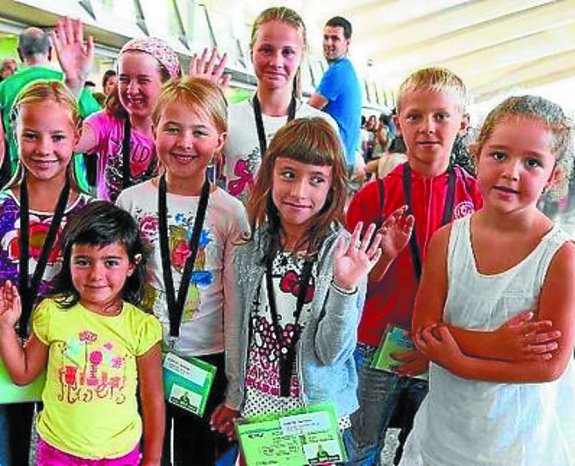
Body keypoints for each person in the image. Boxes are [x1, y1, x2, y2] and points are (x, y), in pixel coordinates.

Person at [210, 117, 413, 451]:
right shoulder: (250, 248)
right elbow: (236, 328)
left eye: (316, 180)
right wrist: (235, 394)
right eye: (288, 174)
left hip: (316, 405)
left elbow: (331, 352)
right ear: (270, 174)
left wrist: (345, 287)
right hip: (259, 397)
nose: (299, 192)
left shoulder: (346, 253)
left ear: (332, 187)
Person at [399, 95, 575, 466]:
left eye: (532, 162)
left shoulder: (560, 256)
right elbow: (423, 331)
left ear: (553, 176)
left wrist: (462, 361)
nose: (512, 171)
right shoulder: (447, 240)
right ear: (477, 154)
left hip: (516, 444)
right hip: (444, 435)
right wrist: (496, 343)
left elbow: (548, 366)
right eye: (499, 155)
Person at [345, 67, 484, 465]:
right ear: (398, 121)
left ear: (463, 123)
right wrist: (385, 255)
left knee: (424, 449)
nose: (427, 127)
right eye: (415, 116)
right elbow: (350, 287)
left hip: (442, 347)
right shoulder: (373, 197)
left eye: (441, 116)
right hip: (374, 345)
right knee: (361, 445)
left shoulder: (478, 199)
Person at [117, 77, 249, 466]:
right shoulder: (131, 201)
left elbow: (236, 301)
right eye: (172, 128)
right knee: (141, 449)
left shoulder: (230, 212)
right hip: (141, 353)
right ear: (154, 129)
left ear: (220, 141)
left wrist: (235, 387)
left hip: (206, 360)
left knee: (195, 455)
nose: (184, 142)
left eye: (199, 132)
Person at [0, 201, 164, 465]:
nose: (96, 274)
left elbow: (152, 398)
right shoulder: (51, 312)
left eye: (111, 262)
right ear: (68, 262)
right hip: (57, 452)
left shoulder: (142, 326)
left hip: (119, 455)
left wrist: (153, 460)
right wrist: (5, 326)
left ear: (132, 265)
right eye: (84, 262)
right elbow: (23, 373)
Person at [0, 80, 93, 466]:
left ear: (76, 136)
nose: (44, 149)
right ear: (14, 135)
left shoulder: (92, 214)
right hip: (4, 364)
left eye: (57, 137)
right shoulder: (2, 207)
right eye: (31, 136)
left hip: (66, 366)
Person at [53, 17, 182, 202]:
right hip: (112, 229)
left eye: (143, 80)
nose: (131, 89)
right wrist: (73, 84)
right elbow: (62, 141)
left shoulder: (181, 132)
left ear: (168, 84)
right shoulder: (106, 123)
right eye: (124, 79)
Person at [221, 6, 339, 203]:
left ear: (301, 56)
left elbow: (330, 199)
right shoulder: (226, 118)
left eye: (288, 52)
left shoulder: (322, 126)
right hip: (237, 232)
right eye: (267, 50)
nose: (276, 62)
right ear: (251, 52)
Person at [0, 23, 100, 188]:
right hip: (71, 182)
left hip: (23, 179)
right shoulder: (70, 81)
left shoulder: (4, 87)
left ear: (19, 52)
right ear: (50, 51)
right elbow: (97, 126)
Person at [309, 16, 362, 170]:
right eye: (326, 38)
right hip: (344, 159)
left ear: (347, 43)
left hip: (334, 159)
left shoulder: (337, 71)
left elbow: (308, 111)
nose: (328, 43)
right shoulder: (348, 70)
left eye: (335, 39)